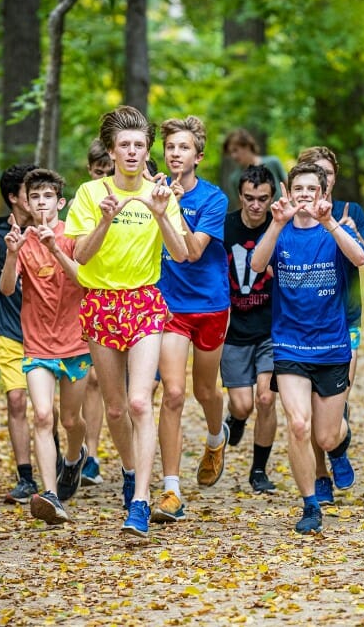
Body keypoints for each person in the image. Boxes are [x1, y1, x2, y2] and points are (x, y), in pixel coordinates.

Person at [64, 105, 188, 537]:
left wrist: (158, 212)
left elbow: (183, 252)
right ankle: (132, 470)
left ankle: (140, 501)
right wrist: (105, 218)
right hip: (100, 302)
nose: (132, 152)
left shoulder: (161, 194)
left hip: (144, 302)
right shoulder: (89, 193)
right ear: (112, 151)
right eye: (125, 145)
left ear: (147, 149)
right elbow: (79, 255)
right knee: (115, 408)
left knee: (140, 401)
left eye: (139, 145)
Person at [250, 162, 364, 534]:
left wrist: (331, 223)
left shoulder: (333, 231)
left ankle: (340, 442)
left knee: (325, 436)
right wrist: (275, 223)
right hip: (289, 346)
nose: (304, 195)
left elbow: (361, 258)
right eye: (298, 188)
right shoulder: (280, 231)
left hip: (332, 347)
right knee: (298, 425)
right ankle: (310, 504)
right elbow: (256, 264)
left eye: (311, 189)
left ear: (322, 193)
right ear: (289, 191)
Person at [0, 168, 90, 525]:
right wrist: (11, 254)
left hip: (75, 341)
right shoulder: (20, 239)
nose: (41, 203)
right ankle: (50, 494)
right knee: (42, 415)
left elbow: (83, 278)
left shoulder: (73, 235)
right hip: (36, 345)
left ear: (59, 202)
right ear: (26, 202)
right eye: (34, 197)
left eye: (47, 197)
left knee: (71, 419)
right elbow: (7, 290)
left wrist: (54, 245)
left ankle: (74, 458)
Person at [152, 116, 230, 524]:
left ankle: (217, 437)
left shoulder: (214, 199)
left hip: (211, 304)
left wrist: (173, 207)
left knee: (205, 390)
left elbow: (193, 252)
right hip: (169, 306)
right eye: (170, 148)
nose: (175, 154)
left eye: (183, 148)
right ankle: (170, 489)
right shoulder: (153, 193)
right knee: (174, 394)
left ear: (198, 157)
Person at [295, 146, 364, 505]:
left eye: (328, 173)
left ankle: (338, 448)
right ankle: (319, 476)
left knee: (337, 395)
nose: (323, 179)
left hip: (346, 316)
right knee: (307, 410)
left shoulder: (350, 211)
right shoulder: (293, 215)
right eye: (315, 172)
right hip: (304, 324)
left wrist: (352, 235)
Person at [0, 164, 39, 504]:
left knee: (48, 410)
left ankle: (59, 460)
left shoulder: (50, 230)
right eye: (29, 192)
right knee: (16, 400)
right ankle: (26, 477)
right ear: (14, 197)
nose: (36, 198)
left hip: (45, 332)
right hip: (8, 328)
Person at [221, 164, 279, 493]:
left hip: (271, 329)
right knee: (242, 404)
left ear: (272, 197)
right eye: (249, 198)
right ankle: (237, 420)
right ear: (240, 196)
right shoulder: (225, 226)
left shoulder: (279, 226)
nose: (256, 205)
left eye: (262, 199)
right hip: (232, 329)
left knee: (266, 399)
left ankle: (259, 471)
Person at [80, 139, 114, 487]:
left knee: (130, 391)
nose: (105, 179)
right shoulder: (84, 200)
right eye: (99, 172)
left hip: (131, 302)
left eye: (110, 172)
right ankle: (87, 452)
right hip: (91, 298)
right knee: (88, 381)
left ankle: (103, 454)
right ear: (91, 170)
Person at [222, 128, 288, 204]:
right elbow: (241, 206)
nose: (233, 156)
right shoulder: (235, 178)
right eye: (230, 153)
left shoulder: (272, 163)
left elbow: (289, 187)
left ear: (247, 146)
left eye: (235, 150)